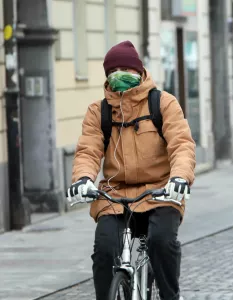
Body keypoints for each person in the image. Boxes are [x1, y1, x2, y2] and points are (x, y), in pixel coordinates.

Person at [66, 40, 195, 300]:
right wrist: (83, 179)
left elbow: (181, 145)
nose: (120, 76)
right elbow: (88, 151)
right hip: (115, 194)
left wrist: (179, 177)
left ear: (139, 71)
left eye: (126, 70)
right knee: (103, 250)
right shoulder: (98, 112)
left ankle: (171, 296)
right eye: (114, 72)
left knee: (161, 243)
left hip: (160, 191)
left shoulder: (164, 104)